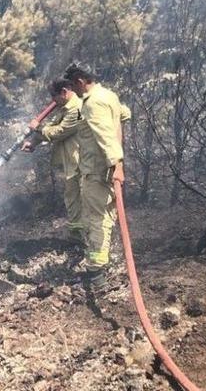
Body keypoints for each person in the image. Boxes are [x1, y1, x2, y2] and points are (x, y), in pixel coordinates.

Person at [63, 63, 130, 291]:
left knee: (96, 221)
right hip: (104, 170)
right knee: (104, 218)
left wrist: (116, 163)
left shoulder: (92, 104)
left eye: (73, 86)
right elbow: (124, 115)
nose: (73, 91)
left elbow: (105, 136)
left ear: (80, 81)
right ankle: (101, 264)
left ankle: (96, 273)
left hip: (97, 172)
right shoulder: (108, 95)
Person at [22, 79, 85, 245]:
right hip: (71, 162)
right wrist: (33, 142)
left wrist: (37, 128)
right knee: (72, 197)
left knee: (84, 198)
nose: (53, 101)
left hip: (81, 161)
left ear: (64, 92)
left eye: (54, 96)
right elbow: (52, 125)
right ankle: (76, 235)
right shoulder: (64, 107)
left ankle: (89, 237)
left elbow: (60, 131)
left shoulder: (77, 108)